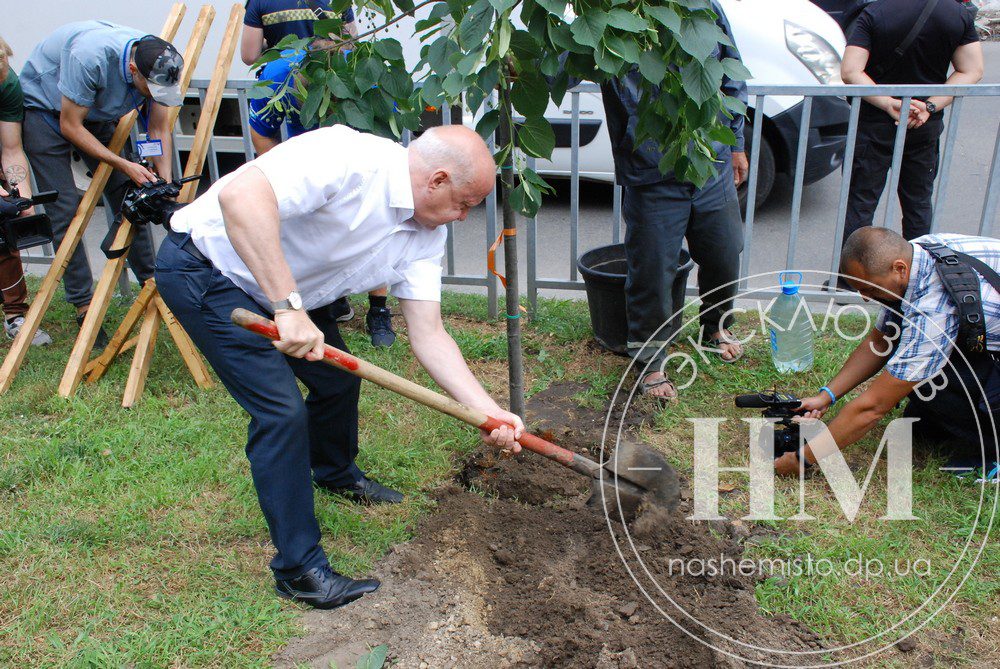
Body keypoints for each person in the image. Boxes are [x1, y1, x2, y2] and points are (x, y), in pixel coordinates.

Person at [156, 124, 524, 608]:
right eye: (465, 203)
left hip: (290, 293)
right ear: (436, 180)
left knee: (336, 379)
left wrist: (487, 410)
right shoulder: (347, 157)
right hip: (211, 272)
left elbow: (429, 334)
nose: (462, 217)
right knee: (280, 415)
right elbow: (242, 196)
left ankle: (333, 472)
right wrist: (287, 307)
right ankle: (299, 570)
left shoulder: (425, 234)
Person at [600, 0, 748, 401]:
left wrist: (734, 142)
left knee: (724, 251)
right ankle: (649, 359)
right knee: (652, 269)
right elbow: (568, 56)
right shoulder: (613, 10)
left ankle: (714, 325)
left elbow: (729, 70)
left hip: (708, 161)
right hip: (651, 171)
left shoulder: (703, 6)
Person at [782, 227, 1000, 479]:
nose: (865, 299)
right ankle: (948, 423)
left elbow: (873, 407)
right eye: (860, 290)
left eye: (871, 290)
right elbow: (882, 340)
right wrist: (826, 396)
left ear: (899, 269)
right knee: (915, 359)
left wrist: (802, 459)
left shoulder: (935, 306)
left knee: (919, 371)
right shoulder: (915, 255)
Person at [241, 1, 396, 348]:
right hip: (310, 167)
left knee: (373, 231)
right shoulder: (282, 72)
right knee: (313, 233)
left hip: (361, 162)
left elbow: (387, 127)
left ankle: (379, 310)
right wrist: (283, 170)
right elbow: (260, 129)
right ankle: (327, 302)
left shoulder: (365, 75)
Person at [18, 22, 183, 347]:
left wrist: (159, 180)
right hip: (48, 112)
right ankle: (84, 305)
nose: (152, 95)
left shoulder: (160, 64)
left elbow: (159, 128)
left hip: (95, 111)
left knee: (132, 194)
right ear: (134, 70)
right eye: (148, 88)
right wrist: (123, 163)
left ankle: (151, 283)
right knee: (64, 208)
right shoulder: (90, 57)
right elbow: (70, 125)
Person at [838, 0, 983, 280]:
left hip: (874, 123)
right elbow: (972, 69)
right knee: (918, 204)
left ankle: (849, 280)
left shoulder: (874, 12)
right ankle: (919, 278)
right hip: (923, 124)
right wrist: (928, 106)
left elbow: (851, 70)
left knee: (860, 203)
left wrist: (889, 102)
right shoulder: (955, 13)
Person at [0, 36, 51, 346]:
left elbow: (11, 147)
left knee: (4, 227)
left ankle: (15, 315)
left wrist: (22, 196)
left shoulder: (7, 82)